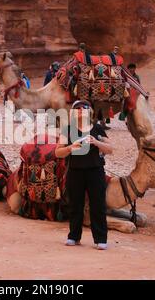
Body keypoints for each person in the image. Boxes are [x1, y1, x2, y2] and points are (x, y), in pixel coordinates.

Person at [55, 100, 113, 250]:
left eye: (85, 108)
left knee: (98, 205)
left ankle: (100, 239)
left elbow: (110, 149)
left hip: (95, 170)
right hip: (75, 171)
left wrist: (96, 142)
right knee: (75, 204)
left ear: (90, 112)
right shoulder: (67, 130)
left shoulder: (98, 129)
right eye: (78, 108)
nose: (81, 110)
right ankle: (74, 236)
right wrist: (70, 148)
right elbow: (57, 152)